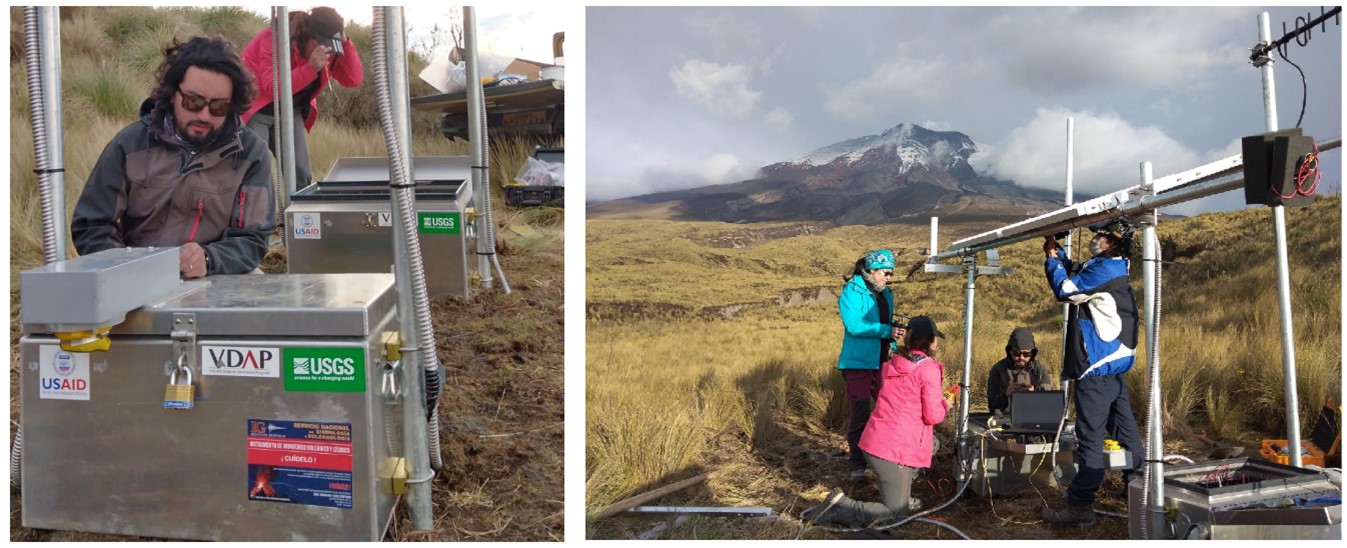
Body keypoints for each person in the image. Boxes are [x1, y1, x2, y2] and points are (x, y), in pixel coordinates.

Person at [71, 36, 275, 278]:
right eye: (193, 101)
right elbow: (91, 225)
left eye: (218, 107)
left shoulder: (252, 153)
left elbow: (253, 238)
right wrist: (128, 269)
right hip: (133, 275)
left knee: (256, 284)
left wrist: (210, 259)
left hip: (216, 273)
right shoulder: (129, 144)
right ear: (171, 94)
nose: (204, 115)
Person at [1040, 219, 1145, 527]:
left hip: (1098, 369)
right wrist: (1057, 252)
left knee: (1090, 438)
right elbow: (1078, 270)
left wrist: (1050, 258)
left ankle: (1081, 506)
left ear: (1115, 242)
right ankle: (1140, 491)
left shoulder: (1104, 270)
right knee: (1126, 435)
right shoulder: (1111, 265)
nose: (1096, 239)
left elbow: (1066, 289)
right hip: (1113, 369)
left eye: (1103, 236)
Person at [804, 316, 952, 527]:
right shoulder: (928, 369)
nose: (937, 343)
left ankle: (901, 492)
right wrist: (945, 404)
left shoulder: (894, 363)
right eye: (936, 338)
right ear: (930, 341)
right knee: (896, 516)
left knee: (932, 444)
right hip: (894, 451)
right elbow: (933, 416)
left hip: (874, 442)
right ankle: (839, 507)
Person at [242, 6, 363, 190]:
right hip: (256, 107)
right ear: (308, 36)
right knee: (254, 168)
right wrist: (310, 68)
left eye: (332, 46)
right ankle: (257, 217)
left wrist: (345, 42)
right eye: (322, 44)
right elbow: (272, 86)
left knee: (300, 171)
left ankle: (298, 218)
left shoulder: (328, 49)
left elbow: (353, 79)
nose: (327, 52)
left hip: (291, 110)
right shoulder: (274, 37)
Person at [835, 250, 901, 482]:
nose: (889, 277)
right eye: (886, 272)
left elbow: (885, 322)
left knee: (887, 411)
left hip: (882, 361)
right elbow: (855, 326)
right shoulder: (851, 292)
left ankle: (882, 458)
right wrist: (887, 330)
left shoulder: (886, 294)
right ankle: (857, 465)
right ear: (872, 269)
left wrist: (895, 333)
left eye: (891, 273)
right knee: (860, 413)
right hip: (858, 363)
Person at [986, 327, 1054, 415]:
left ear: (1032, 353)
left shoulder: (1040, 370)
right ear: (1010, 351)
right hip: (1006, 418)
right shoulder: (998, 370)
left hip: (1034, 417)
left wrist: (1035, 393)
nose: (1021, 358)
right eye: (1016, 353)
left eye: (1026, 354)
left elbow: (1051, 404)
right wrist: (1006, 394)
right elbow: (992, 406)